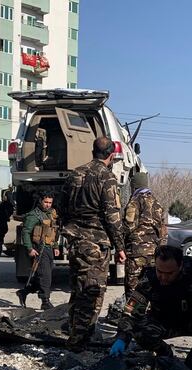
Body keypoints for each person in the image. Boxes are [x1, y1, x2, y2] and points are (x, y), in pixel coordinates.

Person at [110, 245, 192, 370]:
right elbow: (131, 311)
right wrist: (122, 338)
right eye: (160, 272)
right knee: (139, 329)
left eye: (169, 273)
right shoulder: (149, 279)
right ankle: (166, 357)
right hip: (164, 322)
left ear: (180, 265)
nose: (164, 277)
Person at [59, 136, 126, 351]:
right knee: (92, 291)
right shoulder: (107, 177)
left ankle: (74, 332)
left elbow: (61, 207)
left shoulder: (75, 174)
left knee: (78, 289)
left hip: (76, 241)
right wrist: (120, 246)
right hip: (96, 242)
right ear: (111, 155)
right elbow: (112, 216)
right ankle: (79, 342)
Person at [122, 172, 166, 298]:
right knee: (151, 286)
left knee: (133, 288)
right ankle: (149, 315)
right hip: (154, 254)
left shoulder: (134, 202)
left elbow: (128, 226)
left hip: (136, 252)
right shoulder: (157, 203)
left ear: (134, 185)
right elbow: (163, 231)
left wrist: (120, 246)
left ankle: (133, 316)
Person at [17, 192, 59, 308]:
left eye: (50, 202)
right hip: (39, 249)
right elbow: (26, 232)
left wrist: (55, 246)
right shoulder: (34, 215)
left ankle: (24, 292)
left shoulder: (50, 214)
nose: (48, 205)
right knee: (45, 276)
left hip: (48, 248)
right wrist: (29, 248)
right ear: (40, 201)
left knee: (44, 275)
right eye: (45, 202)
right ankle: (45, 301)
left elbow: (52, 232)